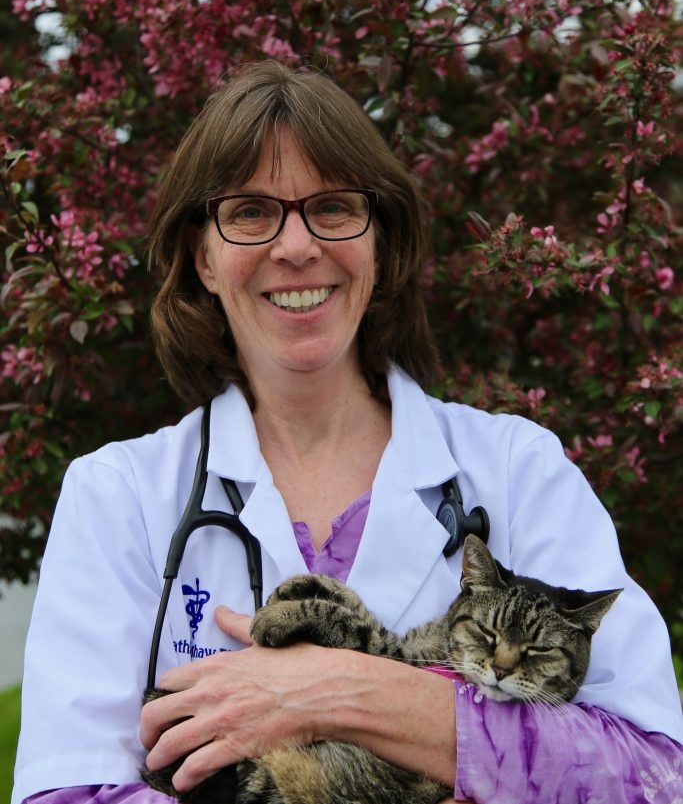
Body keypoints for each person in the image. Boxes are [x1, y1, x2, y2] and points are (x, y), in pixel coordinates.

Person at [12, 60, 683, 804]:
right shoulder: (119, 495)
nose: (296, 247)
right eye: (250, 211)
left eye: (332, 207)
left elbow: (653, 777)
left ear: (379, 241)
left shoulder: (519, 472)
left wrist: (345, 692)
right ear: (203, 256)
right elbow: (66, 791)